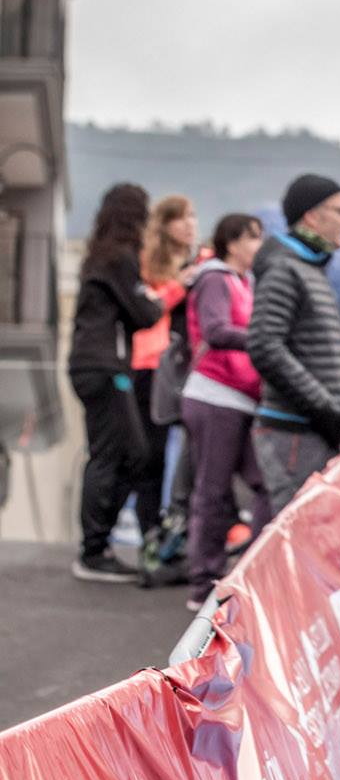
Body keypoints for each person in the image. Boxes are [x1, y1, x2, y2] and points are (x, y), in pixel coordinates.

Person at [247, 173, 340, 506]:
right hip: (295, 432)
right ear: (312, 216)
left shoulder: (308, 268)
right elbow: (264, 345)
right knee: (300, 530)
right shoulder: (284, 268)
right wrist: (326, 407)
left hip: (311, 431)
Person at [68, 183, 164, 582]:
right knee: (116, 453)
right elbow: (145, 314)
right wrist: (157, 300)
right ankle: (93, 551)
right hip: (105, 368)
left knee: (126, 453)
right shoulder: (121, 258)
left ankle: (98, 544)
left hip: (93, 365)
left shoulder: (100, 256)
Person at [180, 213, 273, 610]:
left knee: (265, 484)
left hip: (239, 398)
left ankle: (248, 577)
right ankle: (204, 585)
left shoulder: (243, 282)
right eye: (253, 238)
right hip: (216, 397)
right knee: (213, 492)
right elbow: (216, 330)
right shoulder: (216, 279)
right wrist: (267, 340)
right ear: (232, 243)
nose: (259, 246)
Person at [131, 194, 200, 549]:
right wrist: (180, 285)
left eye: (192, 216)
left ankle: (185, 529)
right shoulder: (147, 263)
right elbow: (146, 311)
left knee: (194, 452)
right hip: (153, 367)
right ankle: (151, 533)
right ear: (164, 224)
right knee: (151, 453)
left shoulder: (201, 262)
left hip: (192, 368)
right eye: (180, 217)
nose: (189, 224)